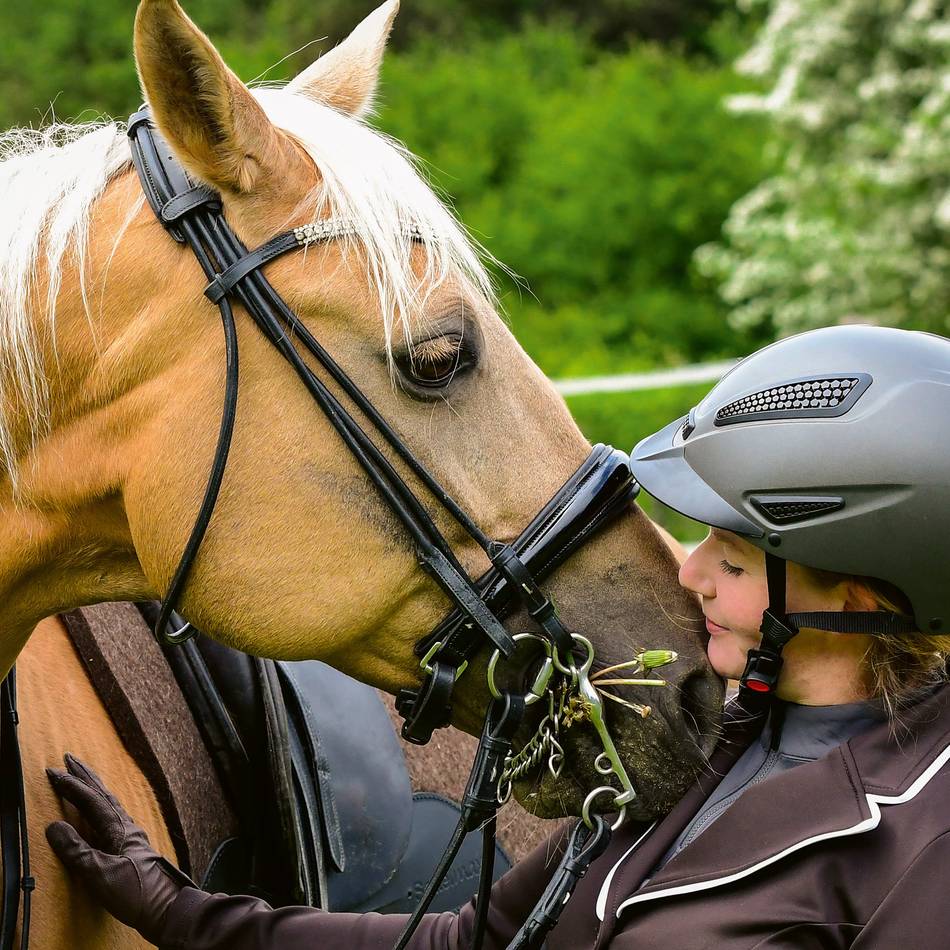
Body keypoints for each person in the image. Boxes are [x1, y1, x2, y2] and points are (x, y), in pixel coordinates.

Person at [46, 324, 950, 948]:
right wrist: (177, 911)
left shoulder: (923, 844)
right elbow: (465, 942)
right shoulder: (709, 746)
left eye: (738, 559)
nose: (690, 574)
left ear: (860, 595)